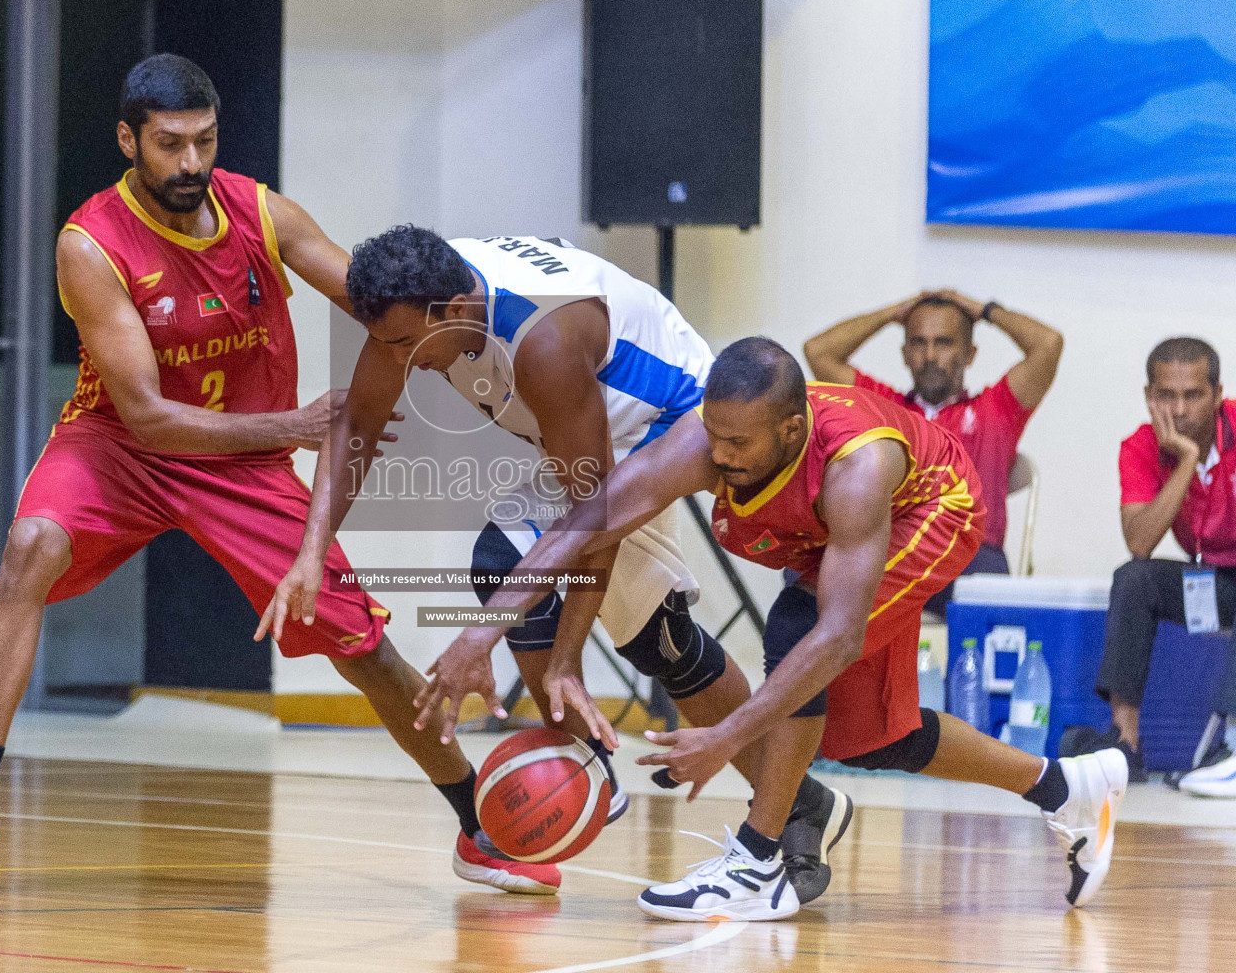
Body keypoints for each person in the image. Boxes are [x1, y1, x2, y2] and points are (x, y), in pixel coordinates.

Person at [0, 54, 544, 898]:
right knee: (30, 547)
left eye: (205, 141)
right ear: (129, 141)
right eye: (169, 145)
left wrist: (499, 366)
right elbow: (149, 415)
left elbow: (384, 309)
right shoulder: (91, 245)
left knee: (361, 646)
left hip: (243, 469)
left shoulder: (261, 213)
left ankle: (481, 826)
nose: (191, 163)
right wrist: (295, 425)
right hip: (122, 447)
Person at [434, 337, 1127, 921]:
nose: (721, 455)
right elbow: (591, 521)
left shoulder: (857, 469)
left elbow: (837, 638)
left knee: (800, 629)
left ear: (791, 432)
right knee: (866, 739)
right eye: (713, 433)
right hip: (831, 536)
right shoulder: (704, 444)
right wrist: (480, 633)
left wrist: (725, 737)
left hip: (933, 509)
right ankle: (1066, 786)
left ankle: (759, 859)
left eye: (739, 442)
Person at [260, 227, 853, 902]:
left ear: (455, 310)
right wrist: (310, 555)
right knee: (657, 641)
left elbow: (591, 512)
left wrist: (560, 653)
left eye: (404, 345)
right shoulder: (407, 305)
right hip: (598, 444)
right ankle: (799, 799)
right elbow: (359, 427)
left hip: (670, 421)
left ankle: (584, 765)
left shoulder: (543, 343)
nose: (399, 360)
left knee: (504, 560)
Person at [804, 290, 1063, 610]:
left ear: (969, 354)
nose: (929, 355)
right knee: (807, 577)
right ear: (904, 353)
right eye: (917, 342)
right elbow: (818, 352)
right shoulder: (882, 407)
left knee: (990, 591)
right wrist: (892, 312)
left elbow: (1048, 344)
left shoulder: (995, 410)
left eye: (943, 343)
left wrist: (984, 310)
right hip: (896, 556)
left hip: (971, 556)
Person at [1061, 338, 1236, 794]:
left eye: (1193, 395)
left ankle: (1234, 747)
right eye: (1167, 396)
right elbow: (1140, 542)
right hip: (1214, 580)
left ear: (1218, 394)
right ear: (1149, 397)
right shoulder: (1140, 447)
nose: (1179, 409)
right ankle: (1125, 745)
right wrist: (1187, 461)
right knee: (1135, 579)